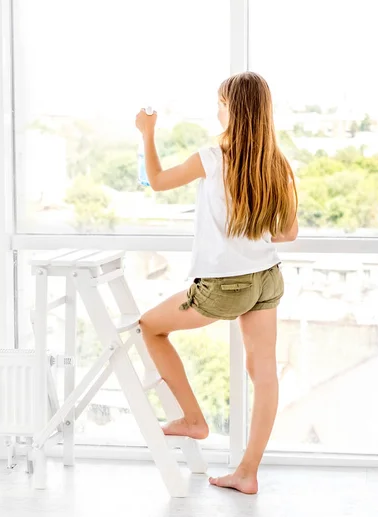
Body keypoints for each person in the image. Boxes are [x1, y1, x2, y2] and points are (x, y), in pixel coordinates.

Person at [134, 71, 298, 495]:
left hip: (224, 286)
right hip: (266, 279)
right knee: (264, 374)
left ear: (234, 109)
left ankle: (193, 419)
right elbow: (287, 233)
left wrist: (147, 133)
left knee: (150, 326)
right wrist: (251, 231)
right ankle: (247, 472)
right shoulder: (277, 162)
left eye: (221, 102)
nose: (217, 109)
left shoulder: (211, 157)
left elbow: (156, 180)